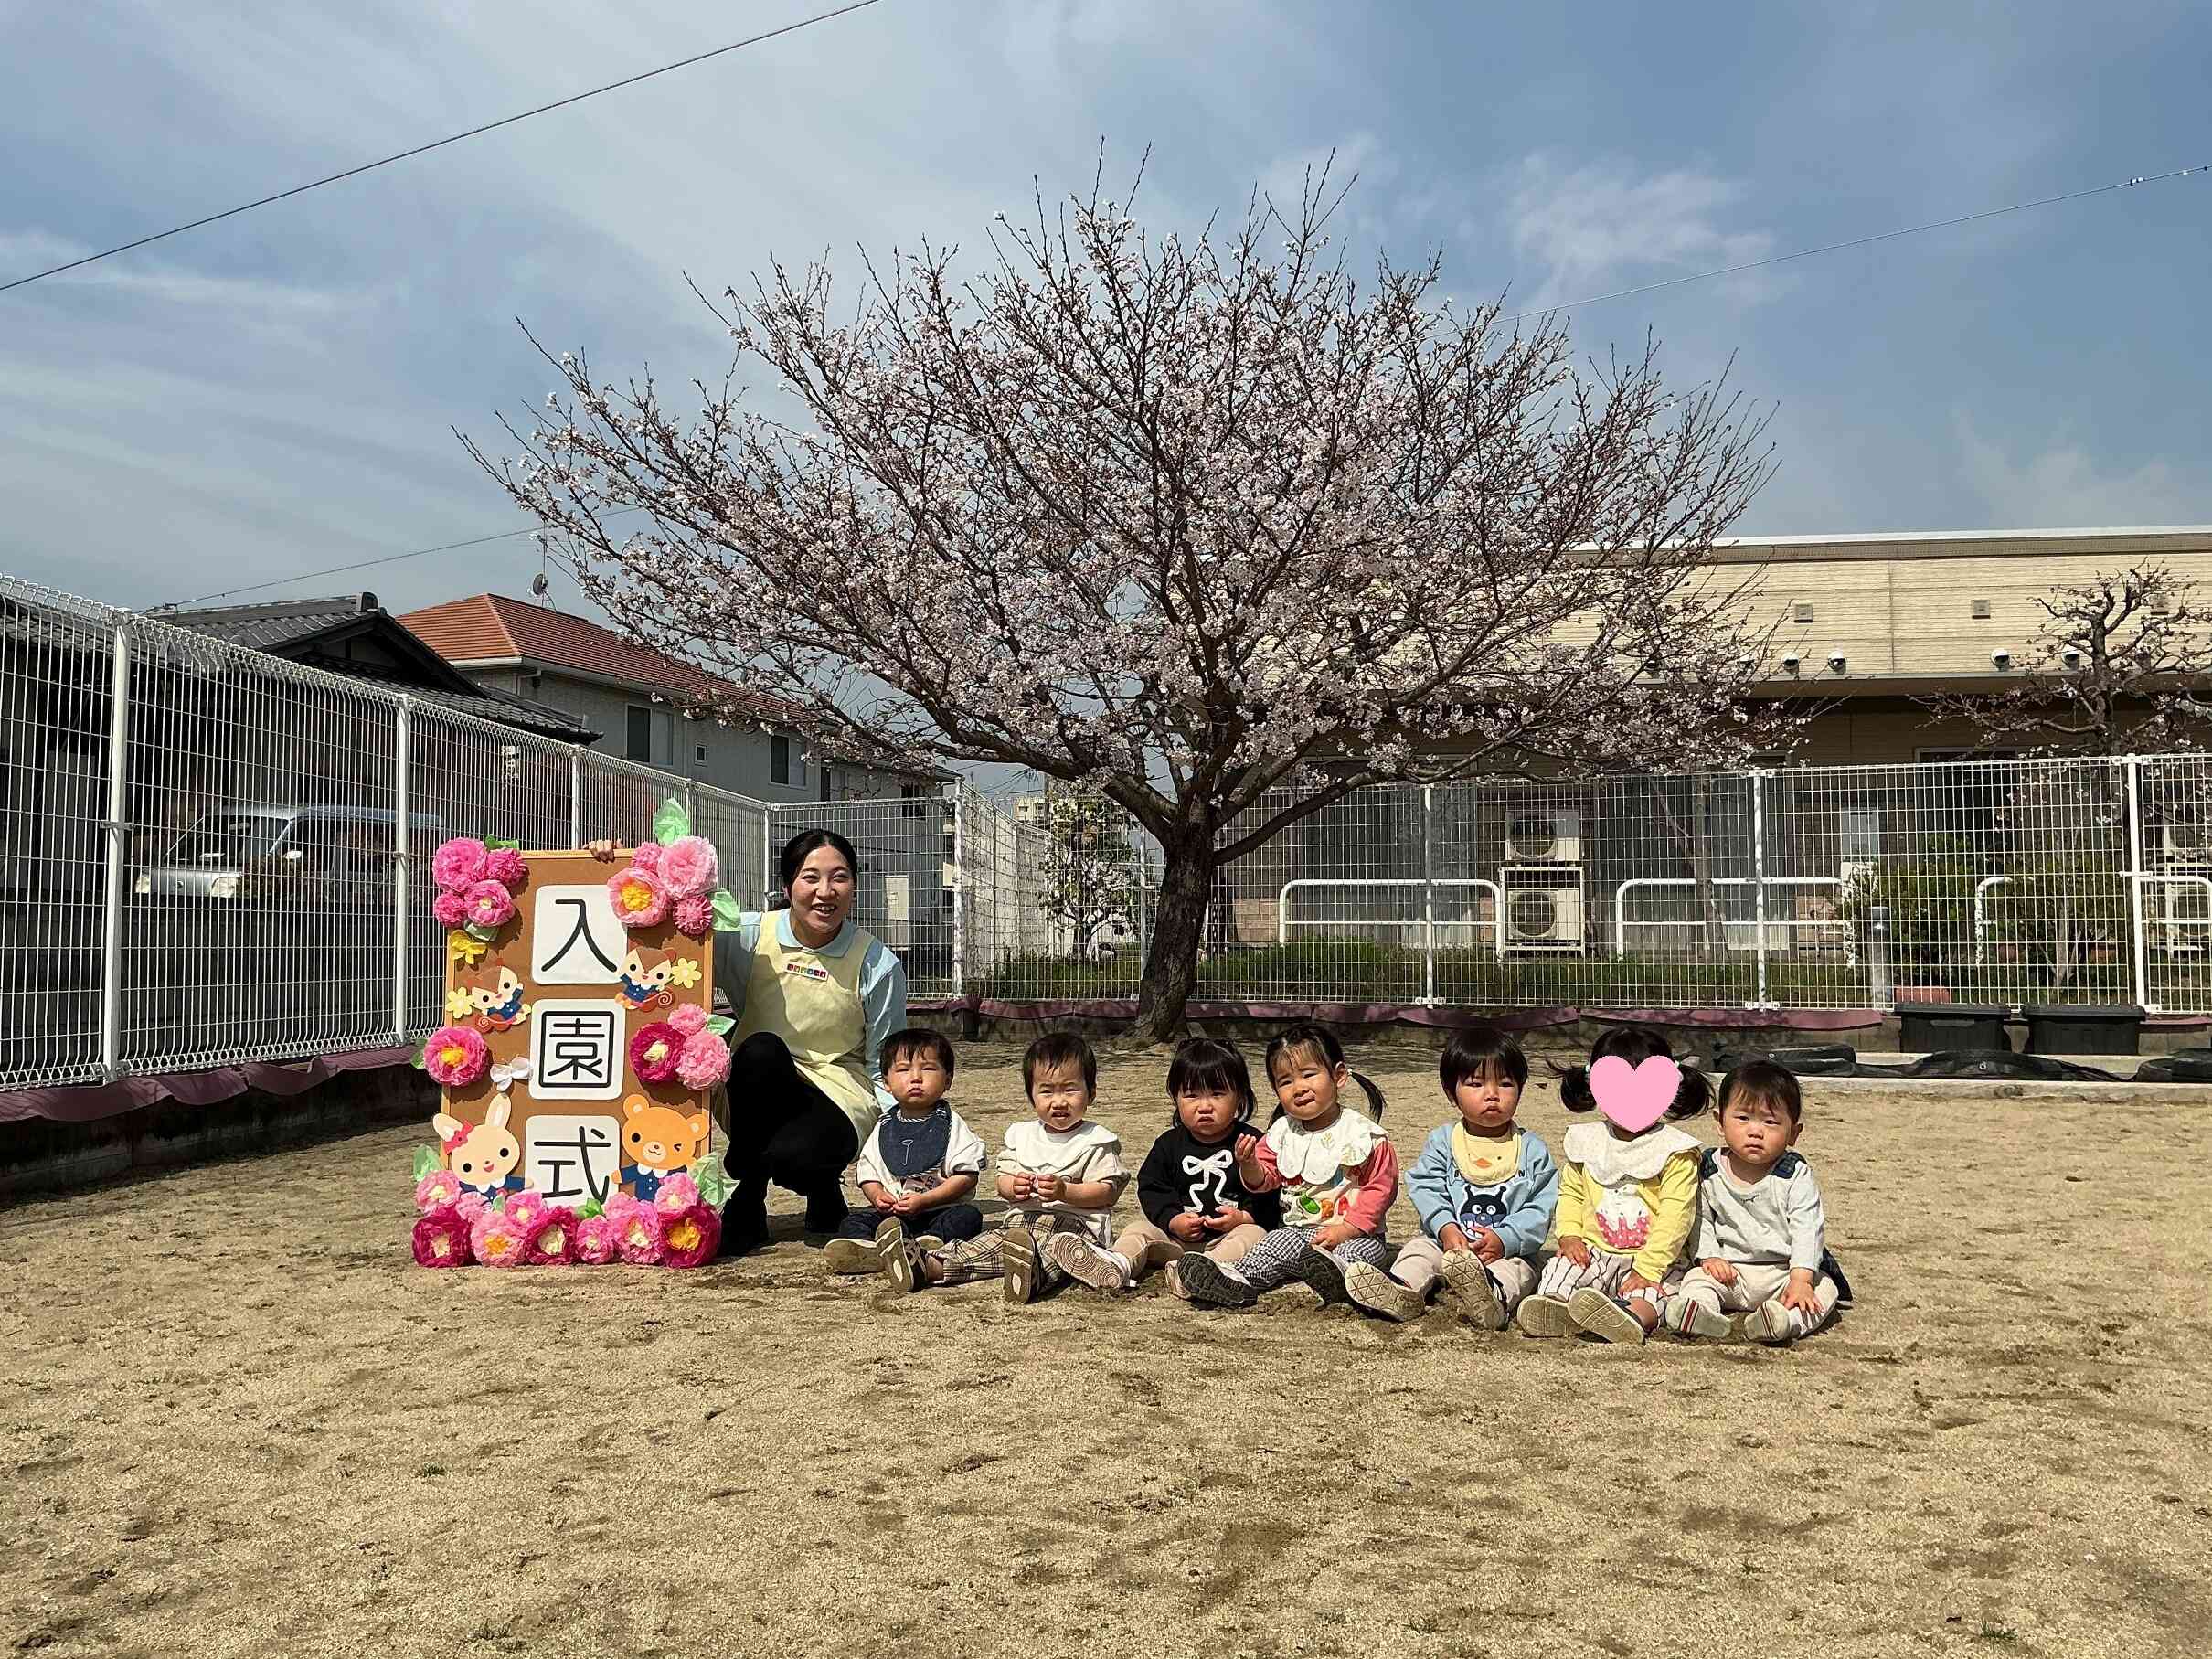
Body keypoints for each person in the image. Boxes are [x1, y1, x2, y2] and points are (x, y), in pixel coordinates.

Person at [881, 1032, 1126, 1303]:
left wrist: (1065, 1191)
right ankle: (929, 1266)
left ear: (1090, 1093)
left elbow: (1107, 1192)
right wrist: (1014, 1187)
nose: (1059, 1101)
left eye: (1070, 1090)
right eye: (1047, 1091)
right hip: (1022, 1225)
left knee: (1058, 1253)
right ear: (1032, 1095)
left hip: (1075, 1228)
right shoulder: (1021, 1136)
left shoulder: (1097, 1141)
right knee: (988, 1245)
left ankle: (1034, 1276)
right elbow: (1002, 1181)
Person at [1343, 1028, 1558, 1327]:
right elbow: (1427, 1187)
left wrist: (1505, 1239)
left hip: (1505, 1252)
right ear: (1451, 1093)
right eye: (1476, 1083)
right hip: (1445, 1241)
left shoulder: (1531, 1149)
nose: (1492, 1094)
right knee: (1418, 1251)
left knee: (1521, 1270)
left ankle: (1491, 1299)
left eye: (1506, 1084)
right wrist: (1445, 1228)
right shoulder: (1443, 1141)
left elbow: (1540, 1207)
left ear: (1520, 1090)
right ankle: (1401, 1290)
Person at [1175, 1022, 1396, 1311]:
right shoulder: (1282, 1133)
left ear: (1339, 1075)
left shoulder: (1363, 1135)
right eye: (1285, 1081)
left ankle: (1339, 1279)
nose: (1299, 1088)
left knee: (1357, 1255)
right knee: (1270, 1246)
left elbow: (1380, 1188)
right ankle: (1233, 1278)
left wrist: (1347, 1229)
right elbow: (1264, 1179)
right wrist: (1249, 1163)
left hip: (1354, 1233)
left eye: (1309, 1074)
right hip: (1297, 1231)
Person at [1045, 1037, 1281, 1297]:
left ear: (1239, 1097)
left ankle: (1203, 1273)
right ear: (1176, 1098)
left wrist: (1243, 1218)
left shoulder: (1252, 1142)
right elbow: (1152, 1188)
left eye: (1217, 1094)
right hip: (1175, 1240)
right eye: (1191, 1095)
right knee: (1137, 1229)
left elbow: (1270, 1192)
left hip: (1227, 1238)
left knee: (1255, 1234)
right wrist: (1173, 1219)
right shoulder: (1168, 1144)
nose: (1204, 1106)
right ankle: (1116, 1264)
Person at [1519, 1026, 1709, 1345]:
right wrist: (1569, 1236)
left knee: (1654, 1294)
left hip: (1653, 1258)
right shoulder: (1586, 1140)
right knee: (1561, 1269)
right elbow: (1571, 1192)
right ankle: (1556, 1308)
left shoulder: (1674, 1150)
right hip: (1593, 1251)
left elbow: (1677, 1215)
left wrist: (1648, 1269)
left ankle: (1631, 1318)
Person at [1664, 1060, 1852, 1344]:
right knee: (1695, 1280)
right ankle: (1700, 1313)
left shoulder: (1794, 1174)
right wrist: (1709, 1255)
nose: (1755, 1131)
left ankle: (1783, 1322)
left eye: (1770, 1122)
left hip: (1782, 1273)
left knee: (1825, 1288)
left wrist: (1800, 1280)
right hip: (1730, 1272)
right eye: (1743, 1118)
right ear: (1720, 1122)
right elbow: (1699, 1217)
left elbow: (1807, 1227)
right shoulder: (1708, 1169)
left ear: (1793, 1133)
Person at [822, 1027, 986, 1276]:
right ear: (886, 1082)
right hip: (894, 1217)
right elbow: (869, 1173)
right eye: (903, 1069)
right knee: (852, 1221)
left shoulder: (951, 1125)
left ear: (948, 1080)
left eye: (928, 1068)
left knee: (968, 1217)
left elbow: (966, 1176)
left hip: (938, 1211)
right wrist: (877, 1196)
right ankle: (872, 1250)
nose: (916, 1078)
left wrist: (927, 1200)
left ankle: (926, 1246)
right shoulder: (884, 1127)